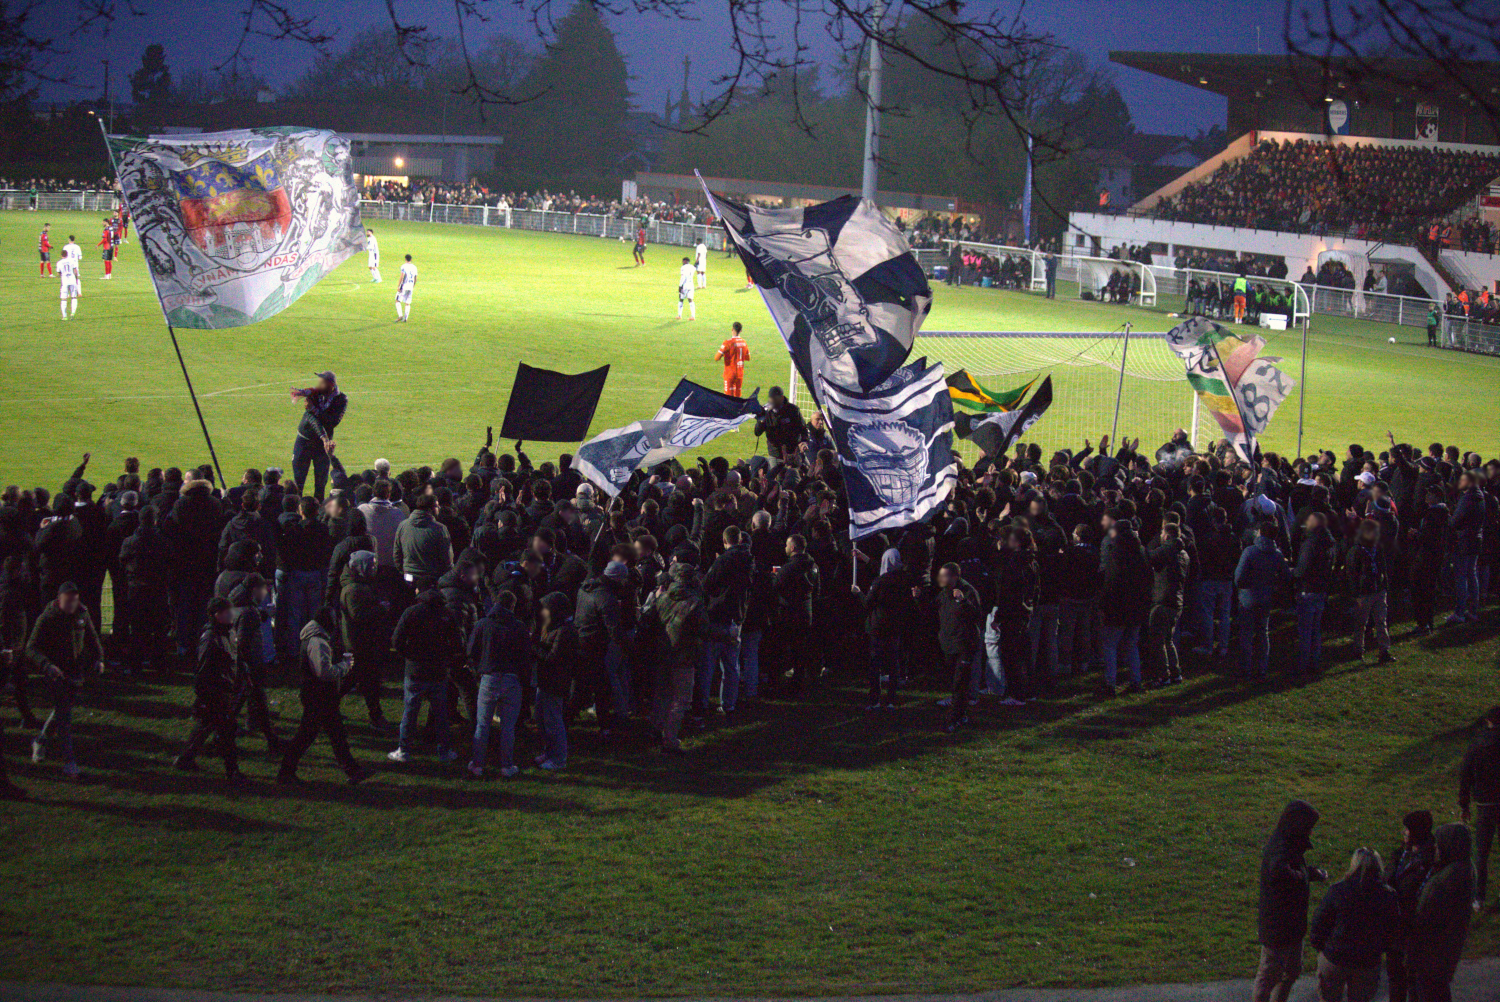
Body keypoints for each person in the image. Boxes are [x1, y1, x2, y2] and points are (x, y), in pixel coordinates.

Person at [277, 607, 367, 785]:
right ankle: (286, 772)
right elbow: (324, 673)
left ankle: (353, 770)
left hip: (318, 696)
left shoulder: (312, 638)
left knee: (335, 734)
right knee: (308, 736)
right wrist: (345, 666)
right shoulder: (318, 642)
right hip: (319, 697)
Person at [24, 582, 101, 779]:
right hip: (55, 673)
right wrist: (47, 665)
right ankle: (69, 762)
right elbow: (31, 648)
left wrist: (99, 658)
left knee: (61, 711)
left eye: (74, 601)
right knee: (65, 717)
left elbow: (92, 637)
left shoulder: (82, 614)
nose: (71, 605)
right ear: (59, 600)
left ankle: (40, 741)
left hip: (75, 673)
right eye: (68, 601)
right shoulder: (47, 618)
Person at [1255, 799, 1328, 1002]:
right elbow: (1281, 873)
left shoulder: (1289, 843)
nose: (1310, 832)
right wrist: (1306, 875)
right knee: (1269, 978)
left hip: (1291, 926)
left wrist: (1310, 873)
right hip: (1279, 928)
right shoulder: (1280, 849)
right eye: (1309, 827)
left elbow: (1293, 871)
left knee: (1291, 972)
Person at [1309, 848, 1399, 1002]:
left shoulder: (1338, 890)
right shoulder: (1388, 895)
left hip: (1335, 957)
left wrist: (1320, 947)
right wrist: (1380, 949)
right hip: (1367, 961)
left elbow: (1320, 921)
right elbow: (1392, 929)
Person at [174, 597, 247, 785]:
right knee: (227, 731)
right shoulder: (211, 638)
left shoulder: (228, 632)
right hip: (216, 692)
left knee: (205, 726)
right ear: (217, 615)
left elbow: (234, 659)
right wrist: (206, 696)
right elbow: (203, 670)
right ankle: (232, 771)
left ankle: (185, 759)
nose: (231, 614)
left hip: (223, 690)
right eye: (227, 611)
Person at [387, 589, 463, 764]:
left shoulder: (412, 612)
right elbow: (457, 643)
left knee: (410, 711)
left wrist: (409, 655)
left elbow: (396, 640)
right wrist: (446, 658)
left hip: (416, 670)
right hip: (438, 671)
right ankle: (444, 751)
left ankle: (404, 750)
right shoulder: (446, 614)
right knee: (441, 714)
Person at [465, 590, 531, 778]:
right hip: (511, 679)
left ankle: (477, 764)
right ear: (512, 606)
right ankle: (506, 765)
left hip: (489, 678)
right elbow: (526, 657)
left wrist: (478, 670)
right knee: (508, 727)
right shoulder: (519, 627)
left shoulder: (483, 624)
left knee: (482, 724)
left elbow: (471, 651)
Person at [1406, 824, 1474, 1002]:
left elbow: (1424, 917)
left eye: (1439, 843)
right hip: (1445, 952)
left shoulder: (1444, 881)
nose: (1435, 846)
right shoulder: (1465, 869)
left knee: (1428, 992)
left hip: (1429, 955)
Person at [1385, 810, 1438, 1002]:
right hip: (1396, 928)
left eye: (1407, 829)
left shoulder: (1430, 862)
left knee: (1413, 981)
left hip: (1413, 930)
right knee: (1395, 978)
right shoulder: (1403, 853)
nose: (1404, 832)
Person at [1235, 519, 1291, 679]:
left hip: (1248, 597)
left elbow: (1239, 578)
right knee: (1263, 633)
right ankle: (1262, 668)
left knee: (1246, 634)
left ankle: (1246, 668)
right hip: (1266, 597)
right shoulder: (1277, 554)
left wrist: (1245, 587)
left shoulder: (1250, 552)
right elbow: (1286, 576)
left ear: (1260, 533)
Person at [1459, 706, 1500, 912]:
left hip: (1485, 804)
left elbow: (1465, 774)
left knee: (1481, 853)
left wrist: (1464, 804)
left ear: (1488, 722)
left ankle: (1479, 897)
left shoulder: (1478, 743)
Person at [531, 591, 576, 770]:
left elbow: (553, 658)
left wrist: (534, 647)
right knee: (541, 718)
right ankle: (549, 751)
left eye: (547, 609)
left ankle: (558, 759)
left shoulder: (565, 631)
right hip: (546, 681)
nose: (543, 612)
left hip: (555, 683)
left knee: (553, 721)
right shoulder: (553, 627)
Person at [936, 561, 982, 732]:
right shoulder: (943, 593)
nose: (941, 578)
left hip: (965, 644)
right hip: (949, 643)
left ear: (955, 577)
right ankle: (961, 714)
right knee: (954, 681)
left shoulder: (968, 591)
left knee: (960, 683)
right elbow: (931, 610)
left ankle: (954, 719)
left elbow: (977, 615)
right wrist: (918, 598)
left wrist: (963, 601)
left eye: (944, 575)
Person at [289, 371, 347, 500]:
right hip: (304, 441)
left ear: (331, 385)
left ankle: (319, 510)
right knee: (298, 483)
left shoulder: (341, 399)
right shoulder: (314, 393)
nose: (318, 385)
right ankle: (297, 510)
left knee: (320, 484)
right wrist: (323, 436)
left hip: (322, 446)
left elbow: (332, 422)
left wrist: (315, 410)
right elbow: (311, 418)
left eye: (322, 383)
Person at [1292, 511, 1336, 677]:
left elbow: (1302, 569)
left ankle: (1303, 665)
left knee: (1305, 631)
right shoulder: (1330, 543)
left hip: (1308, 589)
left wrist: (1292, 571)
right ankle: (1315, 662)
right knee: (1316, 630)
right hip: (1321, 589)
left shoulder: (1311, 543)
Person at [1345, 518, 1393, 663]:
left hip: (1378, 590)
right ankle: (1358, 650)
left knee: (1381, 621)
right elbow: (1352, 574)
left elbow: (1383, 567)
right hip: (1364, 592)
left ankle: (1384, 650)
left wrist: (1385, 586)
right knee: (1361, 623)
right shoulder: (1357, 551)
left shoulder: (1377, 548)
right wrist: (1356, 594)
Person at [753, 387, 806, 462]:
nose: (772, 401)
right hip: (775, 454)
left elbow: (803, 428)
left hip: (792, 452)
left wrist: (804, 441)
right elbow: (757, 432)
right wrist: (761, 420)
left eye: (775, 399)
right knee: (775, 469)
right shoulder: (766, 411)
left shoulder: (793, 410)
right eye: (771, 399)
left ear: (782, 398)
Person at [716, 321, 750, 397]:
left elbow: (716, 358)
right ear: (741, 330)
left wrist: (725, 354)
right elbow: (748, 358)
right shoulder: (744, 342)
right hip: (740, 374)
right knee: (737, 398)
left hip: (730, 374)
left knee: (728, 398)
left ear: (732, 329)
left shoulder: (727, 343)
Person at [57, 251, 80, 320]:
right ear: (67, 255)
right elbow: (75, 271)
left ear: (61, 255)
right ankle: (72, 313)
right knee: (74, 297)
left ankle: (64, 316)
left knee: (63, 298)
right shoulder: (72, 261)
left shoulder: (59, 263)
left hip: (65, 281)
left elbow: (59, 273)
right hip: (72, 280)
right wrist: (76, 279)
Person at [395, 253, 417, 322]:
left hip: (404, 286)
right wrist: (413, 286)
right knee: (407, 302)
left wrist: (399, 286)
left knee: (397, 300)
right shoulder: (414, 267)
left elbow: (402, 276)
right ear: (411, 259)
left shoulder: (404, 266)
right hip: (411, 286)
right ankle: (405, 318)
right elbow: (415, 278)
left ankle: (400, 315)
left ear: (405, 259)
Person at [677, 256, 697, 321]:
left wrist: (680, 286)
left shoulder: (683, 267)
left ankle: (679, 315)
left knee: (681, 299)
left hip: (685, 285)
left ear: (684, 261)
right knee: (690, 300)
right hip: (691, 285)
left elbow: (683, 277)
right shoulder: (692, 267)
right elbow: (695, 266)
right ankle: (693, 316)